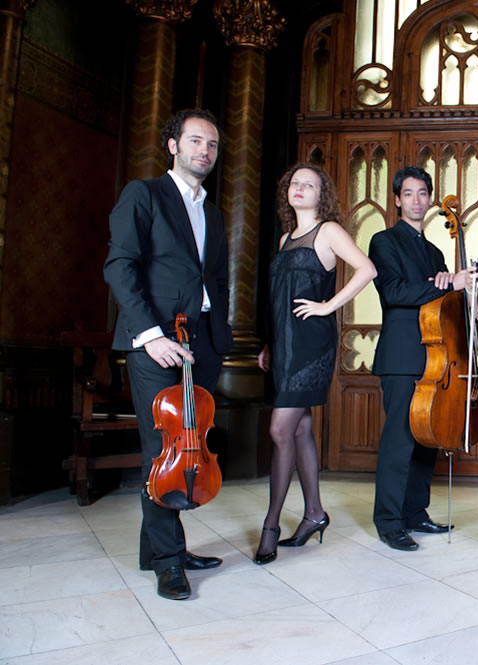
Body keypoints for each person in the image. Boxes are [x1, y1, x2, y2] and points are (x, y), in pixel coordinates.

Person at [104, 109, 233, 600]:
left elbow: (215, 279)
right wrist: (150, 335)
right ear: (173, 145)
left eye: (212, 144)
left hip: (202, 340)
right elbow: (120, 266)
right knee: (163, 450)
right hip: (157, 340)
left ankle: (158, 548)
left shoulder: (213, 212)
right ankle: (168, 561)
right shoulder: (145, 194)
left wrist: (218, 333)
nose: (205, 150)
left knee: (185, 444)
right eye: (195, 140)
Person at [253, 163, 377, 565]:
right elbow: (279, 298)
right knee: (301, 427)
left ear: (321, 195)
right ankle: (314, 514)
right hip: (284, 345)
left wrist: (328, 306)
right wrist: (269, 344)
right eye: (294, 183)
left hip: (311, 345)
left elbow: (367, 269)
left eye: (309, 184)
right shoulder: (285, 238)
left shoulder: (329, 231)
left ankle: (270, 525)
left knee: (280, 429)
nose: (299, 188)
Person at [368, 166, 470, 551]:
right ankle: (389, 521)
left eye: (422, 193)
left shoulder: (435, 252)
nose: (416, 200)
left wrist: (455, 287)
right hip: (401, 355)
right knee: (399, 440)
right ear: (397, 200)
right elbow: (393, 292)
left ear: (429, 199)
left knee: (427, 437)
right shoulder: (383, 241)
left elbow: (445, 305)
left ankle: (416, 512)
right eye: (408, 193)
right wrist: (441, 283)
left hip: (436, 357)